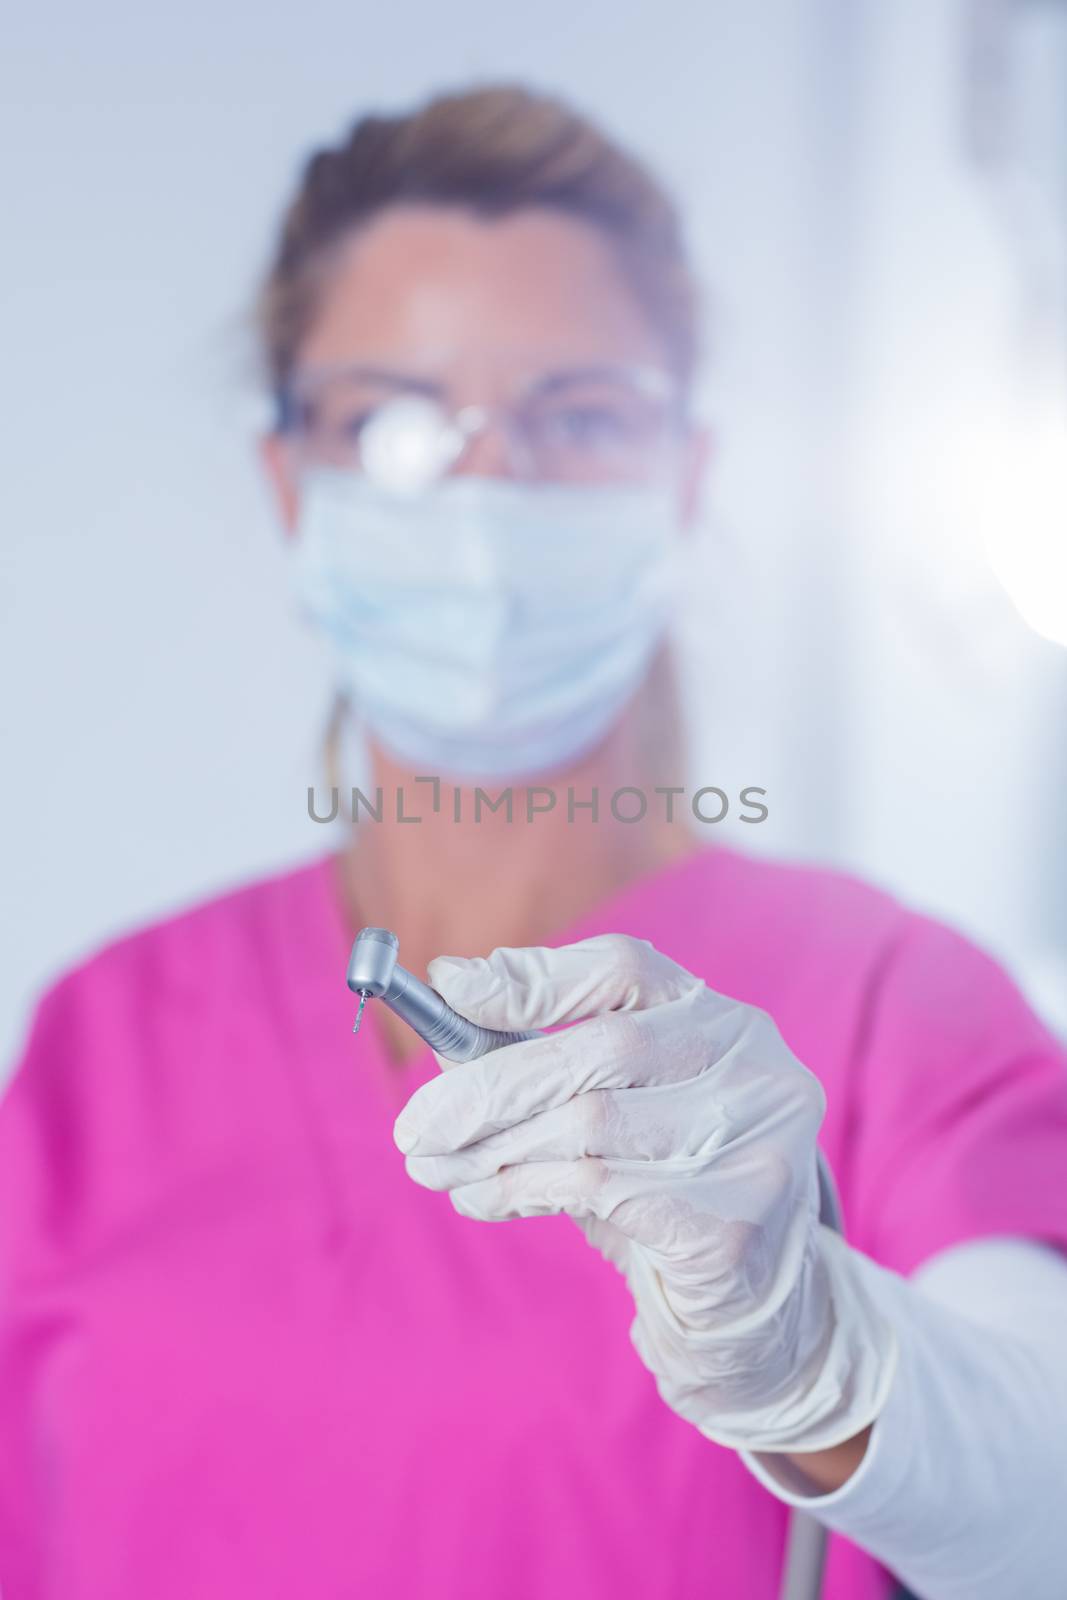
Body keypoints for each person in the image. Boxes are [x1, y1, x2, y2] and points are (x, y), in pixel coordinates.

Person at [2, 83, 1066, 1600]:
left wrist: (819, 1353)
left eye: (580, 416)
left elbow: (1052, 1492)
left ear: (683, 478)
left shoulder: (898, 1003)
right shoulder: (102, 1048)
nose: (490, 487)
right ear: (289, 477)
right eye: (397, 422)